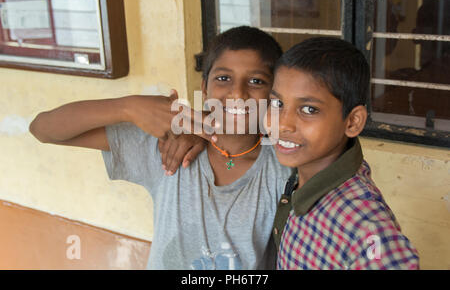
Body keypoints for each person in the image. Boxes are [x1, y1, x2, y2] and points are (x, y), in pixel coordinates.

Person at [29, 26, 293, 270]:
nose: (238, 94)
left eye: (256, 81)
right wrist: (128, 107)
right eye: (223, 78)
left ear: (275, 92)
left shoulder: (283, 167)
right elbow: (43, 129)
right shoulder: (165, 146)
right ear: (204, 87)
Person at [267, 37, 420, 269]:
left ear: (352, 121)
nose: (284, 124)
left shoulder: (365, 226)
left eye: (309, 109)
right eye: (277, 104)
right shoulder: (305, 169)